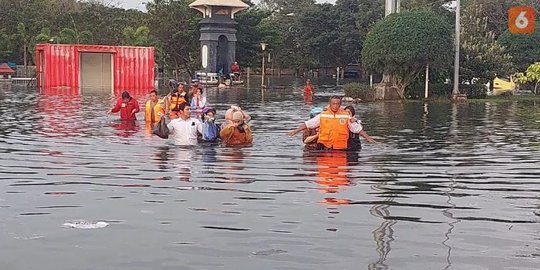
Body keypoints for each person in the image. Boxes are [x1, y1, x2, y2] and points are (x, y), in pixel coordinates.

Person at [288, 96, 362, 150]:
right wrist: (317, 135)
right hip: (316, 149)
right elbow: (305, 140)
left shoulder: (344, 121)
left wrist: (354, 122)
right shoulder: (310, 128)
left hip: (338, 148)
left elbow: (355, 129)